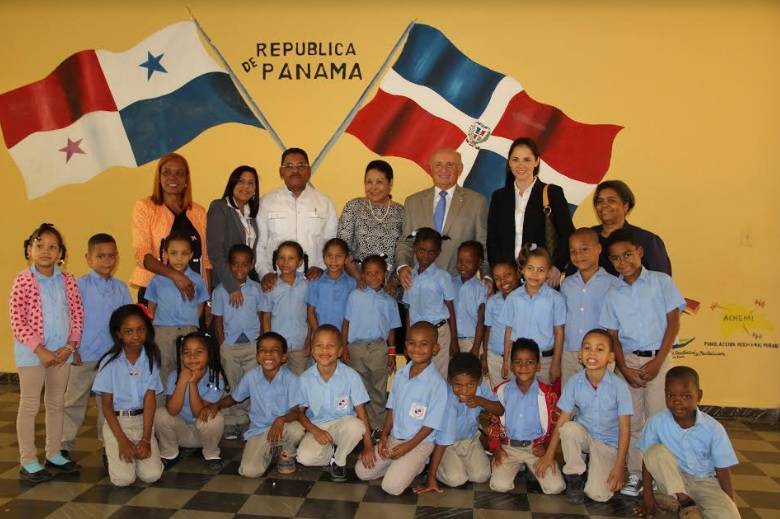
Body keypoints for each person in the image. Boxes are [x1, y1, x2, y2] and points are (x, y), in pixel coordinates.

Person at [600, 228, 686, 496]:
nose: (622, 262)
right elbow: (612, 335)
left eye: (627, 254)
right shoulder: (613, 293)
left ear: (640, 252)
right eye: (615, 258)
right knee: (633, 421)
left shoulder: (662, 282)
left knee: (659, 418)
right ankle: (636, 475)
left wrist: (659, 361)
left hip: (657, 359)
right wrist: (624, 369)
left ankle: (663, 477)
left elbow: (673, 323)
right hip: (628, 363)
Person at [9, 223, 83, 482]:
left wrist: (70, 346)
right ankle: (28, 459)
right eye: (40, 245)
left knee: (56, 403)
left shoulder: (68, 280)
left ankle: (53, 453)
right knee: (29, 405)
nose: (46, 251)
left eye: (53, 247)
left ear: (61, 253)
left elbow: (76, 314)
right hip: (32, 355)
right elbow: (17, 320)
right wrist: (40, 350)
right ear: (29, 249)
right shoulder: (23, 279)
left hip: (62, 353)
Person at [535, 329, 632, 504]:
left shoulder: (619, 387)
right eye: (587, 348)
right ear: (580, 354)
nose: (592, 353)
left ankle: (596, 467)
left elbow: (625, 429)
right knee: (569, 428)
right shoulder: (574, 382)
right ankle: (574, 477)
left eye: (600, 349)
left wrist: (619, 466)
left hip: (607, 444)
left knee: (598, 495)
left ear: (611, 357)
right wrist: (549, 454)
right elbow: (563, 419)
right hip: (585, 437)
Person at [355, 321, 449, 496]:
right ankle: (399, 464)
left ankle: (417, 464)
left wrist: (408, 447)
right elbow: (392, 408)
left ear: (435, 349)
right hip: (394, 438)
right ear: (405, 346)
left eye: (424, 344)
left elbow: (431, 425)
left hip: (419, 443)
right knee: (362, 471)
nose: (417, 349)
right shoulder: (400, 374)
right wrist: (383, 437)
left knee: (391, 487)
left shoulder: (437, 384)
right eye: (412, 343)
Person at [636, 367, 740, 519]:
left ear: (699, 396)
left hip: (705, 483)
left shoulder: (713, 428)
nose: (677, 401)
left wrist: (730, 503)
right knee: (654, 451)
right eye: (670, 395)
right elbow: (648, 461)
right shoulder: (656, 422)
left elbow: (723, 469)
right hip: (672, 480)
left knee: (728, 515)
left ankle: (677, 504)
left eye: (685, 396)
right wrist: (647, 497)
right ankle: (684, 501)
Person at [62, 233, 132, 458]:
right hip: (84, 355)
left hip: (111, 357)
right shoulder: (77, 286)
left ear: (117, 258)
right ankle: (62, 445)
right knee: (73, 401)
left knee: (108, 404)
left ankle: (108, 445)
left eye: (111, 256)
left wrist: (125, 352)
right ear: (88, 258)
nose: (107, 260)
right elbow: (69, 318)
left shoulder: (121, 288)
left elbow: (127, 322)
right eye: (100, 256)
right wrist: (73, 348)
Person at [202, 332, 305, 478]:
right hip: (260, 430)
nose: (268, 354)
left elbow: (296, 412)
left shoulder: (292, 380)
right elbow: (234, 398)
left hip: (284, 426)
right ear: (257, 357)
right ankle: (271, 451)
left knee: (297, 429)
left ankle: (285, 455)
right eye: (263, 350)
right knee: (249, 471)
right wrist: (216, 405)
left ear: (283, 357)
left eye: (274, 350)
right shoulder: (251, 376)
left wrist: (281, 419)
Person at [487, 137, 575, 286]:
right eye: (515, 159)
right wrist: (499, 272)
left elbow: (568, 234)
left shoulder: (552, 193)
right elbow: (492, 239)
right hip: (508, 280)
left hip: (541, 277)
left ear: (537, 161)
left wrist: (557, 267)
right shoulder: (499, 197)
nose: (521, 165)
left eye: (527, 160)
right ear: (509, 162)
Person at [92, 304, 164, 487]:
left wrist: (146, 439)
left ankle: (138, 453)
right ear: (118, 334)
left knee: (152, 476)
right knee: (123, 480)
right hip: (118, 423)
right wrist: (122, 440)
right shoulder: (109, 363)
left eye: (140, 330)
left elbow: (150, 401)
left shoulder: (151, 359)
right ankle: (113, 451)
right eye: (129, 331)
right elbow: (106, 406)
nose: (136, 336)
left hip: (142, 422)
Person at [396, 148, 489, 286]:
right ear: (431, 169)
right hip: (419, 284)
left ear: (460, 169)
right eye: (438, 164)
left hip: (458, 285)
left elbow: (483, 246)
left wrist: (487, 276)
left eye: (450, 164)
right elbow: (406, 241)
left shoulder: (477, 202)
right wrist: (402, 266)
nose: (443, 169)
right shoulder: (413, 201)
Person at [416, 352, 503, 493]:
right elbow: (443, 441)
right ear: (450, 381)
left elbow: (500, 409)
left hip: (470, 440)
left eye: (470, 385)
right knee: (456, 479)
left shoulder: (481, 388)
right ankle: (434, 467)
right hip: (446, 444)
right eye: (458, 385)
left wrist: (481, 401)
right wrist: (431, 478)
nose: (464, 390)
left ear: (479, 381)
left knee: (482, 476)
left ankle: (460, 462)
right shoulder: (449, 401)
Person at [296, 325, 373, 482]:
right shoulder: (304, 379)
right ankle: (332, 452)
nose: (324, 351)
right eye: (319, 345)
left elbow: (361, 411)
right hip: (318, 426)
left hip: (343, 424)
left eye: (330, 346)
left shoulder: (351, 376)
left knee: (357, 426)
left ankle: (339, 461)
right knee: (304, 458)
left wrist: (368, 446)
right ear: (311, 350)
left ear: (339, 351)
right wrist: (315, 431)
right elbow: (299, 412)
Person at [131, 152, 210, 303]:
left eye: (179, 173)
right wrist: (175, 275)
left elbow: (205, 261)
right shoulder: (144, 207)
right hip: (154, 293)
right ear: (159, 177)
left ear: (186, 179)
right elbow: (142, 254)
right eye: (167, 172)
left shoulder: (199, 212)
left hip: (192, 293)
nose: (172, 178)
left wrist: (207, 300)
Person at [255, 147, 337, 288]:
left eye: (301, 165)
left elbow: (330, 241)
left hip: (314, 280)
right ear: (281, 172)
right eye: (289, 166)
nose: (295, 170)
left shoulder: (325, 203)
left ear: (309, 171)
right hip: (276, 281)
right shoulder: (266, 202)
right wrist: (265, 273)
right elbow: (260, 243)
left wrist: (321, 267)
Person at [490, 339, 563, 495]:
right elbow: (493, 422)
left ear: (538, 366)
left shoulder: (548, 394)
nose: (523, 367)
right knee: (499, 485)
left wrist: (547, 447)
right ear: (511, 365)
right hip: (509, 447)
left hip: (535, 449)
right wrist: (496, 447)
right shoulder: (501, 391)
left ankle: (531, 468)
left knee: (555, 487)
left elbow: (556, 425)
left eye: (530, 362)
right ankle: (519, 467)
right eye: (518, 362)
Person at [342, 255, 401, 433]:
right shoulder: (354, 296)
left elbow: (392, 329)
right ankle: (361, 426)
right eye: (368, 273)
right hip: (356, 348)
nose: (373, 277)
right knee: (358, 387)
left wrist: (391, 353)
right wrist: (343, 346)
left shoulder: (390, 301)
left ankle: (378, 426)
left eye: (377, 273)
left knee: (378, 388)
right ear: (362, 275)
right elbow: (346, 323)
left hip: (379, 349)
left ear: (385, 274)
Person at [212, 244, 264, 438]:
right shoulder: (220, 291)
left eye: (244, 265)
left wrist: (261, 342)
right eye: (235, 265)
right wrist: (222, 343)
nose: (239, 269)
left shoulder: (257, 290)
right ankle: (231, 420)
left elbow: (261, 316)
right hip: (230, 345)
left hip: (252, 344)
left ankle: (248, 420)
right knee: (232, 384)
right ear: (228, 266)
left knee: (250, 384)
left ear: (251, 266)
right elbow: (217, 320)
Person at [145, 233, 209, 391]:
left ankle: (184, 405)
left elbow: (201, 304)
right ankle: (161, 408)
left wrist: (192, 322)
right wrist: (152, 329)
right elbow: (151, 306)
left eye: (184, 253)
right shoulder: (157, 280)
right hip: (162, 332)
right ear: (165, 254)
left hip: (189, 330)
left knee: (187, 369)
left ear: (192, 255)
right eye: (173, 253)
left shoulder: (197, 279)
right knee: (162, 369)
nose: (179, 258)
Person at [155, 332, 227, 471]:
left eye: (198, 352)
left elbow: (198, 413)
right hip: (179, 434)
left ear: (209, 354)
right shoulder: (174, 376)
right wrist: (182, 380)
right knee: (160, 414)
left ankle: (211, 454)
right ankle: (170, 453)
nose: (192, 357)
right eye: (186, 352)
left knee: (215, 417)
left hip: (203, 434)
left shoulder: (216, 378)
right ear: (181, 356)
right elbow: (172, 410)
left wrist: (193, 383)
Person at [560, 228, 618, 386]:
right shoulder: (566, 284)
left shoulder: (613, 284)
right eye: (573, 251)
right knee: (570, 402)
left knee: (599, 402)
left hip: (600, 354)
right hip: (570, 353)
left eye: (584, 249)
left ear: (599, 249)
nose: (578, 255)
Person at [500, 245, 565, 384]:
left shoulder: (556, 298)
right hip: (518, 360)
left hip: (545, 360)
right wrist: (506, 361)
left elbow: (559, 332)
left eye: (541, 270)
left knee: (544, 402)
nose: (535, 274)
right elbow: (508, 331)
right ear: (522, 269)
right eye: (530, 268)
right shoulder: (513, 297)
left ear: (548, 272)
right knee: (518, 399)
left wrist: (556, 363)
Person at [401, 228, 457, 377]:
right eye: (422, 250)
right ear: (414, 249)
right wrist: (407, 340)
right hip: (416, 336)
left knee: (439, 375)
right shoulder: (409, 276)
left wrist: (454, 340)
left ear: (438, 252)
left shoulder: (442, 277)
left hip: (439, 333)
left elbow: (451, 309)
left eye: (431, 252)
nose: (426, 255)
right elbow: (409, 310)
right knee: (418, 374)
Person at [338, 159, 405, 275]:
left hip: (390, 286)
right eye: (369, 182)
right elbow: (342, 248)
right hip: (357, 281)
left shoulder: (401, 212)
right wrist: (359, 278)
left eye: (379, 182)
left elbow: (405, 251)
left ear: (390, 183)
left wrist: (394, 282)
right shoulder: (353, 207)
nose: (373, 187)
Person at [591, 180, 671, 276]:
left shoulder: (647, 240)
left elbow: (661, 281)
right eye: (600, 201)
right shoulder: (588, 238)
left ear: (626, 206)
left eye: (611, 200)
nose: (604, 205)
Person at [206, 165, 261, 297]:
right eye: (241, 181)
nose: (245, 187)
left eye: (250, 183)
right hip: (226, 282)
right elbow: (215, 252)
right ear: (232, 184)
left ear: (255, 189)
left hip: (248, 280)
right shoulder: (219, 207)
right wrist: (231, 285)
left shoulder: (252, 213)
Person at [260, 241, 309, 374]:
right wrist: (268, 343)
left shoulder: (307, 285)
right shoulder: (271, 286)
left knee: (299, 381)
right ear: (276, 260)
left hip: (300, 344)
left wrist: (310, 338)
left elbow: (311, 314)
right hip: (278, 346)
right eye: (281, 257)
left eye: (291, 258)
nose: (285, 262)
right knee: (278, 380)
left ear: (300, 262)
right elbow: (266, 316)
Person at [483, 259, 521, 387]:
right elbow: (488, 329)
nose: (503, 281)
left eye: (507, 275)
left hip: (518, 358)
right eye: (497, 278)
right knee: (498, 394)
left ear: (518, 273)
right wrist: (485, 356)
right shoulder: (492, 302)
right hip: (494, 356)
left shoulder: (526, 300)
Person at [306, 238, 356, 334]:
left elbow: (353, 314)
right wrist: (318, 334)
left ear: (346, 259)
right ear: (324, 258)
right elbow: (311, 312)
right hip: (320, 335)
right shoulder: (315, 282)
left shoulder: (352, 284)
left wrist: (345, 338)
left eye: (339, 256)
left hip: (342, 336)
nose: (334, 260)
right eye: (329, 256)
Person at [453, 241, 488, 354]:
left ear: (479, 263)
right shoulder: (450, 284)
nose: (463, 265)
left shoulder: (482, 288)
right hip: (451, 340)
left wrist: (476, 347)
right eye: (460, 261)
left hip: (472, 341)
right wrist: (451, 341)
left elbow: (481, 320)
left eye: (468, 261)